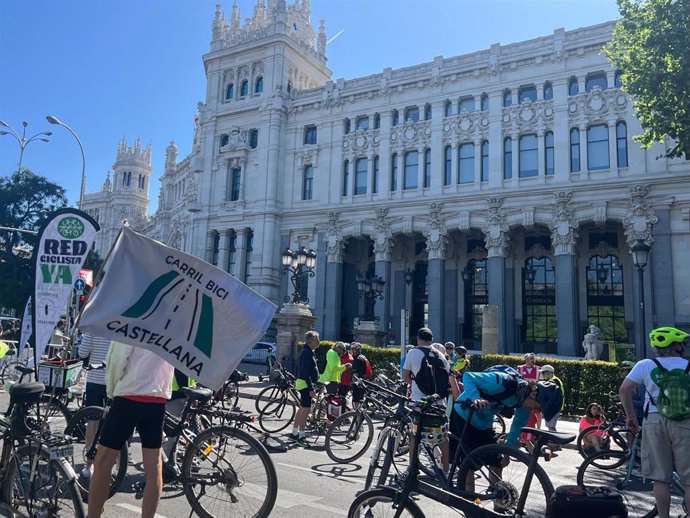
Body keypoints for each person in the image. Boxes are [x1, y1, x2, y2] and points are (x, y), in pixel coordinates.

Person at [88, 341, 174, 518]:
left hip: (129, 394)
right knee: (154, 466)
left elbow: (118, 359)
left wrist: (111, 390)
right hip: (157, 398)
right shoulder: (173, 321)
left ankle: (93, 515)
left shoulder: (134, 315)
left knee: (103, 461)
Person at [451, 370, 562, 505]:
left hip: (484, 423)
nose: (537, 412)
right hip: (464, 416)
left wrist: (507, 452)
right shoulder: (503, 381)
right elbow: (469, 376)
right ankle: (469, 505)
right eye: (538, 408)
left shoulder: (523, 404)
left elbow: (516, 428)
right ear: (533, 394)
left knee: (497, 461)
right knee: (468, 464)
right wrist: (475, 398)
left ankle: (499, 503)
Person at [620, 327, 690, 518]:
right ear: (677, 346)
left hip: (654, 421)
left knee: (660, 478)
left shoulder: (645, 365)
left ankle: (664, 516)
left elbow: (624, 390)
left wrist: (631, 416)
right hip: (685, 421)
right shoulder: (688, 364)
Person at [404, 328, 454, 474]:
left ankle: (412, 468)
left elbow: (406, 377)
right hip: (440, 403)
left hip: (421, 403)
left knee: (415, 435)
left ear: (418, 339)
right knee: (443, 437)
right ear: (431, 340)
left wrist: (415, 385)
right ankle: (446, 470)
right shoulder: (441, 355)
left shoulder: (413, 352)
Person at [76, 332, 112, 481]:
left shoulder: (93, 327)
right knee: (113, 422)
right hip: (112, 380)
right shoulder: (119, 327)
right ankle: (114, 463)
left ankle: (89, 463)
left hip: (94, 379)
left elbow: (82, 352)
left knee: (93, 423)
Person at [291, 330, 321, 447]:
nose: (318, 342)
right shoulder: (307, 353)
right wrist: (311, 388)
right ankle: (301, 436)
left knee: (302, 408)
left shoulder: (306, 351)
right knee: (306, 410)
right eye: (317, 339)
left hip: (301, 382)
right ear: (311, 341)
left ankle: (294, 432)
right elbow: (305, 372)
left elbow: (299, 368)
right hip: (304, 384)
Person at [517, 353, 541, 448]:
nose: (532, 360)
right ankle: (522, 438)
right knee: (522, 417)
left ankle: (535, 433)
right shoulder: (520, 369)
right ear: (526, 360)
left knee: (535, 416)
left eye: (533, 358)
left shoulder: (538, 369)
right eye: (531, 358)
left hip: (534, 396)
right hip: (523, 397)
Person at [539, 365, 564, 432]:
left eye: (543, 372)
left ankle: (554, 441)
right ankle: (554, 441)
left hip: (553, 408)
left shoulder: (553, 381)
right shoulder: (555, 380)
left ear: (549, 372)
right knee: (551, 426)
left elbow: (552, 397)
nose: (542, 374)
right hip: (556, 407)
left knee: (551, 427)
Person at [350, 342, 371, 409]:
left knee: (356, 400)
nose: (351, 351)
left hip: (358, 382)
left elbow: (355, 373)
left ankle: (357, 416)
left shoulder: (357, 359)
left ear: (355, 350)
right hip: (363, 380)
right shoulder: (363, 357)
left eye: (352, 349)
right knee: (361, 398)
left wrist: (352, 382)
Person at [338, 343, 354, 408]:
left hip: (344, 382)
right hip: (342, 380)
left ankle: (341, 414)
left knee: (341, 399)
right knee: (340, 398)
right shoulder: (344, 356)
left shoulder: (348, 359)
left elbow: (341, 369)